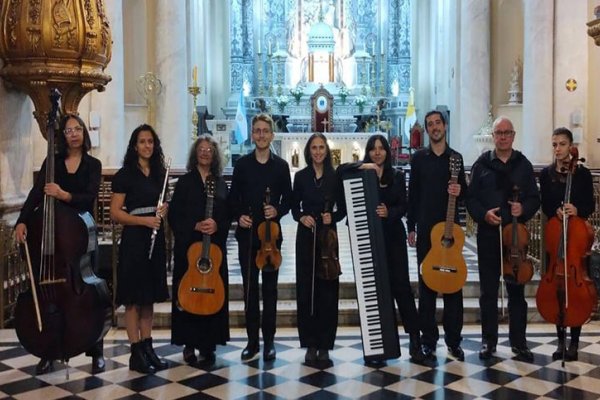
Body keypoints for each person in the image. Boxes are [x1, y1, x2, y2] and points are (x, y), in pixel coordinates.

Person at [15, 114, 105, 375]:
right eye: (68, 130)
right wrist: (22, 221)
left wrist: (64, 194)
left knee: (89, 294)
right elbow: (36, 193)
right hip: (54, 239)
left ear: (84, 133)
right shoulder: (51, 162)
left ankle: (96, 350)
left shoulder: (92, 164)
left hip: (80, 237)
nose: (74, 134)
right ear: (62, 136)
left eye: (78, 129)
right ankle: (47, 350)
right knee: (48, 293)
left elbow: (89, 197)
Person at [339, 134, 423, 363]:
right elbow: (340, 170)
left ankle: (415, 341)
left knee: (402, 289)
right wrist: (363, 166)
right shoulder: (361, 172)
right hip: (369, 239)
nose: (377, 153)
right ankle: (378, 346)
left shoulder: (396, 175)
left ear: (387, 151)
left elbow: (403, 205)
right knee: (374, 290)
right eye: (373, 149)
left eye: (381, 148)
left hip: (393, 237)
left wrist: (390, 212)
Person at [467, 116, 540, 362]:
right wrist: (483, 215)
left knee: (516, 293)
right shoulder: (481, 164)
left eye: (507, 132)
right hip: (489, 236)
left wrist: (524, 210)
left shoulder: (524, 165)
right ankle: (489, 342)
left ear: (513, 136)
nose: (503, 137)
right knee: (488, 292)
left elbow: (533, 198)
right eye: (499, 133)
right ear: (493, 136)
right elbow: (471, 199)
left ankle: (519, 342)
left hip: (516, 239)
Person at [228, 113, 292, 361]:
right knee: (249, 291)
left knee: (271, 290)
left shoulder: (281, 166)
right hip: (248, 237)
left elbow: (288, 199)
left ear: (272, 134)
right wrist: (240, 215)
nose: (262, 135)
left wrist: (277, 209)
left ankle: (269, 342)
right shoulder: (242, 165)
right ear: (252, 134)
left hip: (272, 238)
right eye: (257, 130)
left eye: (266, 130)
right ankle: (252, 342)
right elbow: (234, 199)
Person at [407, 111, 467, 361]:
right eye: (430, 124)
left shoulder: (456, 158)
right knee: (428, 286)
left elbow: (465, 194)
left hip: (450, 230)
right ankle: (428, 340)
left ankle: (453, 341)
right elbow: (413, 194)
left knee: (453, 288)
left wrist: (459, 189)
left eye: (437, 123)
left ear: (444, 126)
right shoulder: (419, 159)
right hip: (426, 231)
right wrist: (410, 226)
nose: (434, 128)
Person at [110, 124, 169, 373]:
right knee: (133, 298)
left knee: (149, 298)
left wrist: (163, 210)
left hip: (155, 239)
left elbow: (162, 204)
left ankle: (148, 347)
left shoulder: (158, 173)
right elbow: (115, 213)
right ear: (135, 145)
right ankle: (135, 352)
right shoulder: (125, 174)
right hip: (135, 239)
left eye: (151, 142)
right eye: (143, 141)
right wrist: (144, 220)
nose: (147, 146)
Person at [169, 136, 231, 365]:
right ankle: (188, 343)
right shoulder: (185, 183)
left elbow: (228, 214)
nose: (205, 153)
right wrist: (194, 225)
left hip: (214, 249)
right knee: (188, 293)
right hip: (189, 249)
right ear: (195, 153)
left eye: (210, 150)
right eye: (201, 149)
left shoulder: (221, 183)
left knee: (212, 293)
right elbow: (174, 215)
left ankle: (209, 344)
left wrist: (218, 225)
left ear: (215, 155)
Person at [539, 127, 595, 361]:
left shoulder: (582, 174)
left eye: (562, 144)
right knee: (557, 290)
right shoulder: (546, 174)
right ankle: (560, 341)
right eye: (554, 144)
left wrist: (576, 209)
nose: (558, 149)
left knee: (576, 290)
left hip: (576, 238)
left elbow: (590, 205)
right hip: (556, 235)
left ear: (570, 146)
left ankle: (574, 342)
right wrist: (557, 209)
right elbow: (545, 203)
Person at [291, 133, 344, 364]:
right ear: (308, 151)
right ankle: (310, 344)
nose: (318, 152)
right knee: (306, 290)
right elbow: (294, 206)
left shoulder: (335, 177)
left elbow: (342, 209)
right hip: (306, 236)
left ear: (327, 150)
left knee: (328, 291)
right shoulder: (301, 177)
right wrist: (302, 217)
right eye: (314, 147)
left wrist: (330, 216)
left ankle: (325, 345)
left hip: (328, 238)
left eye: (322, 147)